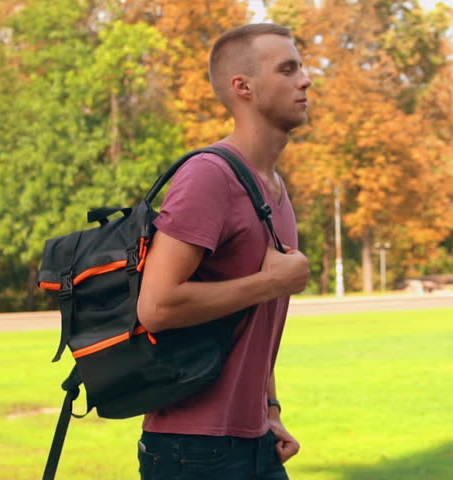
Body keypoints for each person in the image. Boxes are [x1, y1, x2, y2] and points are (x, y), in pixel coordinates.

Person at [135, 23, 311, 480]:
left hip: (254, 441)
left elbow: (255, 320)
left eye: (301, 67)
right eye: (288, 69)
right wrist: (271, 281)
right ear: (243, 87)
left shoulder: (273, 187)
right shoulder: (209, 176)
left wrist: (269, 407)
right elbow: (155, 305)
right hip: (192, 450)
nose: (306, 79)